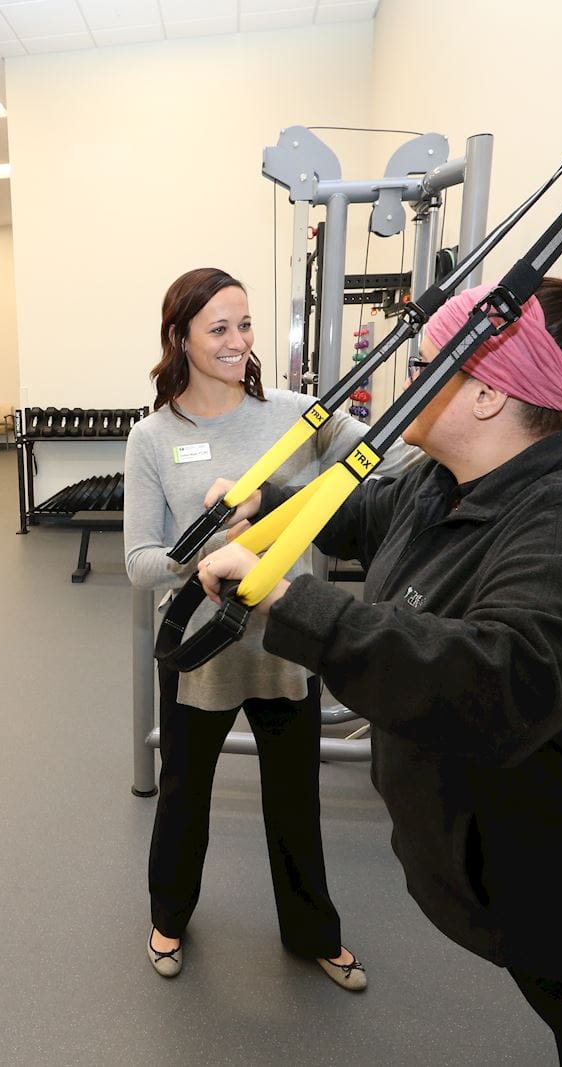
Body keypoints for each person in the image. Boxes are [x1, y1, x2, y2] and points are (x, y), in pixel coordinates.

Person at [197, 243, 562, 1064]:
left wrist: (288, 599)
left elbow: (498, 680)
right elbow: (361, 513)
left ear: (486, 393)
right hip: (533, 853)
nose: (405, 376)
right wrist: (265, 505)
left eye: (425, 364)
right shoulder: (444, 477)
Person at [125, 266, 408, 989]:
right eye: (218, 327)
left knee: (294, 799)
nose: (236, 341)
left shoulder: (299, 416)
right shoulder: (154, 437)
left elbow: (395, 458)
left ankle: (315, 931)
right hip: (202, 647)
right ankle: (168, 915)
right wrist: (200, 560)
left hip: (288, 641)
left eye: (244, 324)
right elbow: (137, 560)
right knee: (185, 793)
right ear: (180, 338)